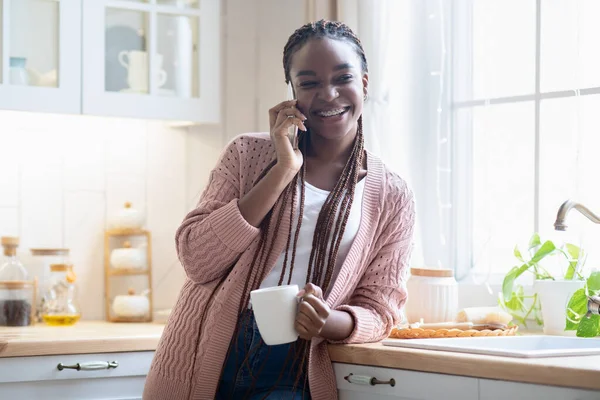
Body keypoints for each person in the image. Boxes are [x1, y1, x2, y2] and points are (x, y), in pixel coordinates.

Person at [143, 19, 415, 400]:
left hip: (296, 363)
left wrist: (328, 322)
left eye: (343, 77)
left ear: (364, 84)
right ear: (292, 93)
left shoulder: (391, 195)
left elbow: (382, 309)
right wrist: (284, 169)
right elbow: (196, 258)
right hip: (210, 351)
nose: (329, 94)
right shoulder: (247, 155)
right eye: (309, 83)